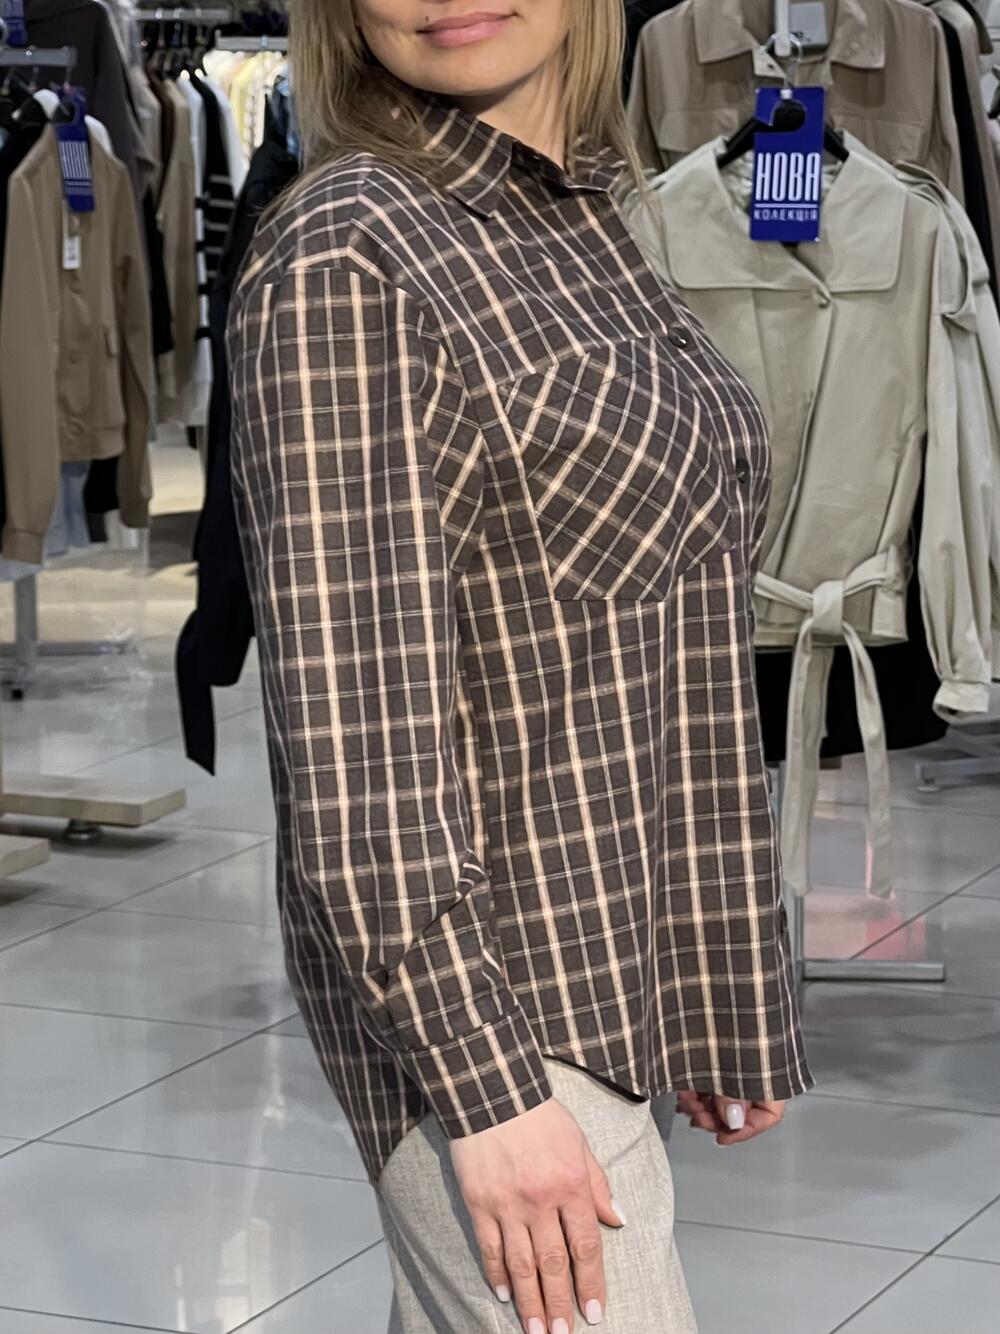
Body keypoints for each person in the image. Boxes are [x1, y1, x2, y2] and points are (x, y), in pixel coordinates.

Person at [228, 3, 812, 1331]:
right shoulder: (352, 252)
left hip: (611, 985)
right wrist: (488, 1096)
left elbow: (659, 644)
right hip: (504, 1024)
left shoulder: (582, 212)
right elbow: (356, 743)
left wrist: (714, 982)